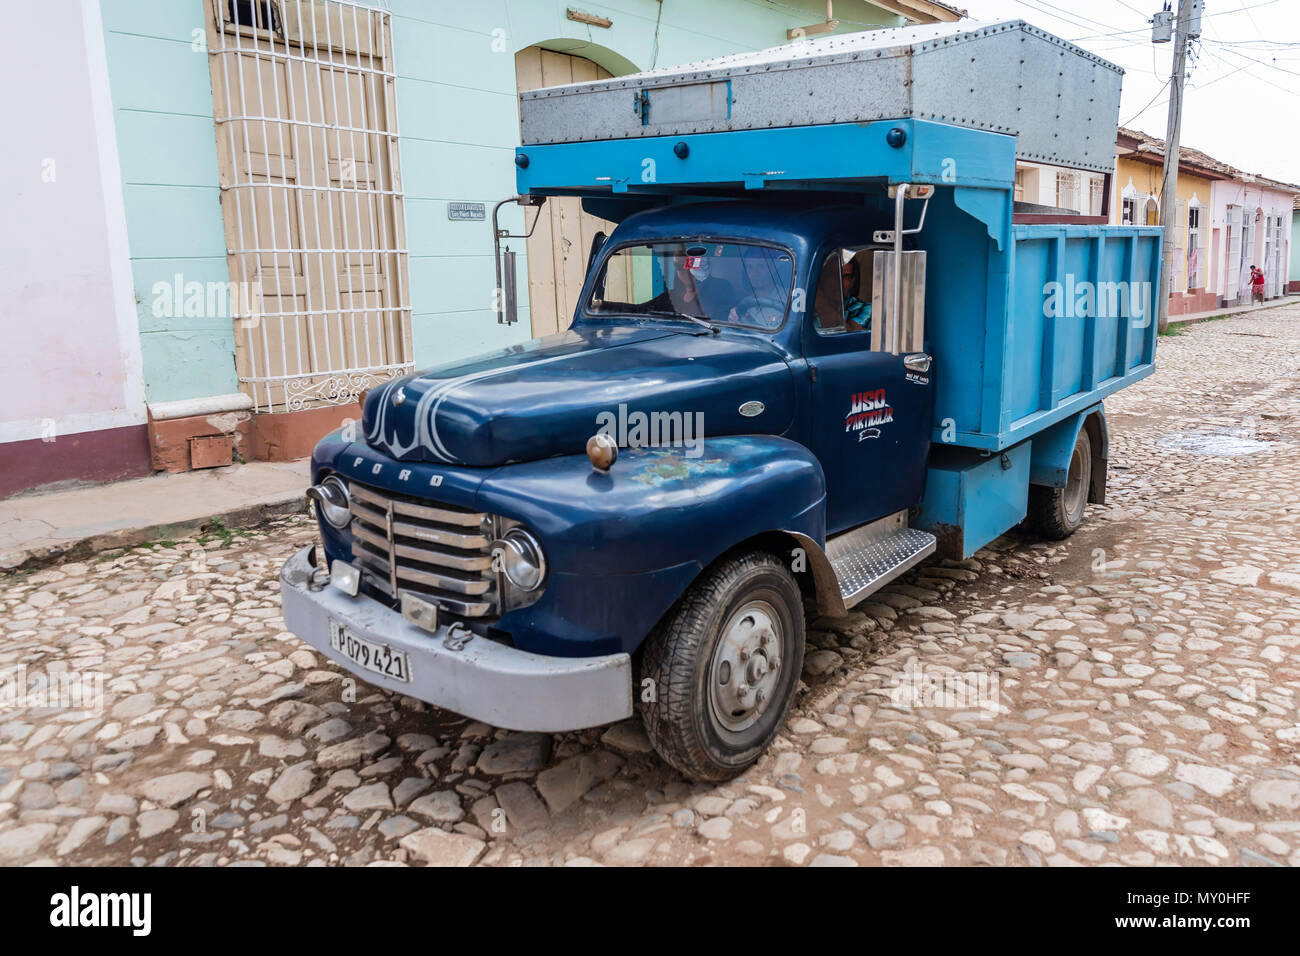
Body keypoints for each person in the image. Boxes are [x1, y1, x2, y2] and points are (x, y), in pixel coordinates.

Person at [645, 248, 739, 322]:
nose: (685, 271)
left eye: (690, 264)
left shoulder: (722, 288)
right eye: (679, 266)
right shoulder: (671, 296)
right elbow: (641, 310)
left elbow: (731, 319)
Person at [840, 255, 872, 333]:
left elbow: (852, 335)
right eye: (833, 275)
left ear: (852, 281)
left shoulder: (865, 309)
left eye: (845, 276)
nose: (839, 281)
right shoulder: (810, 309)